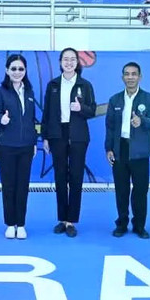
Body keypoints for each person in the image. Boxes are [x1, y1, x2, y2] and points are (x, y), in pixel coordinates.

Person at [41, 48, 97, 238]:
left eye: (73, 59)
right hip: (57, 135)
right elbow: (47, 113)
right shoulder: (53, 85)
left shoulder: (85, 85)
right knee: (60, 177)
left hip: (78, 136)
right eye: (66, 59)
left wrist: (81, 108)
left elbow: (92, 110)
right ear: (60, 62)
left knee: (75, 178)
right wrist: (45, 137)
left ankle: (71, 221)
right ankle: (62, 219)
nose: (69, 62)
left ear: (77, 62)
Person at [104, 62, 150, 239]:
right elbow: (110, 127)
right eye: (127, 74)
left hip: (140, 151)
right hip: (120, 149)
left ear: (140, 77)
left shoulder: (149, 99)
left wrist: (142, 121)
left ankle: (139, 226)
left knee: (140, 191)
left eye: (134, 74)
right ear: (122, 77)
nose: (130, 77)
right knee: (121, 190)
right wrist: (109, 148)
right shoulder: (115, 99)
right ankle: (121, 223)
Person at [0, 54, 38, 240]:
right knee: (9, 186)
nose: (17, 72)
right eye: (14, 69)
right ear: (7, 71)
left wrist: (33, 142)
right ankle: (10, 224)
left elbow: (31, 120)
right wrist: (1, 119)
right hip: (7, 146)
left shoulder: (30, 92)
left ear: (25, 71)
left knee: (23, 186)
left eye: (21, 69)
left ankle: (21, 224)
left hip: (26, 146)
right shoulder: (0, 92)